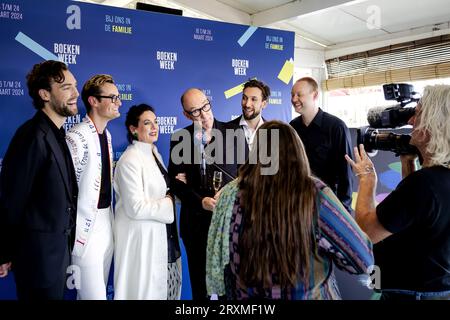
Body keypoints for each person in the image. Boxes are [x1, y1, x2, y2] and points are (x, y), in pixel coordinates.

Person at [207, 120, 373, 299]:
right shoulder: (314, 194)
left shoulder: (230, 193)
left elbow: (216, 261)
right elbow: (362, 260)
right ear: (297, 151)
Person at [345, 84, 450, 300]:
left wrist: (366, 180)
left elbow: (367, 232)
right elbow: (414, 214)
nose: (410, 121)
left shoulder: (424, 184)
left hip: (408, 293)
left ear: (434, 124)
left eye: (418, 114)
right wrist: (408, 162)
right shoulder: (433, 181)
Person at [0, 60, 79, 300]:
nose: (76, 93)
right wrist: (3, 252)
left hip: (55, 257)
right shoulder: (32, 136)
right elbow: (12, 199)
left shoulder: (57, 133)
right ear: (45, 94)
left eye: (74, 86)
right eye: (66, 87)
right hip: (37, 260)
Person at [168, 88, 238, 300]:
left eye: (205, 106)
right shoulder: (180, 139)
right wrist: (201, 201)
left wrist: (230, 190)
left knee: (229, 287)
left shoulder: (234, 134)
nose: (204, 114)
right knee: (201, 289)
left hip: (228, 224)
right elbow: (175, 183)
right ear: (187, 115)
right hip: (195, 226)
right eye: (195, 111)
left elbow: (247, 176)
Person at [114, 104, 181, 300]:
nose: (154, 127)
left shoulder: (154, 153)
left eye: (156, 122)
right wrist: (169, 202)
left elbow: (161, 190)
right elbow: (136, 208)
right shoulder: (129, 160)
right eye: (147, 123)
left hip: (164, 240)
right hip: (143, 244)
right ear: (133, 129)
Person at [65, 74, 121, 299]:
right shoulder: (76, 137)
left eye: (118, 97)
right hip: (85, 228)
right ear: (94, 101)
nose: (119, 102)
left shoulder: (106, 135)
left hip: (107, 221)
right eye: (113, 97)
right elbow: (66, 190)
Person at [290, 77, 353, 212]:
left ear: (315, 95)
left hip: (328, 206)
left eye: (299, 95)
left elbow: (346, 175)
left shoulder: (336, 127)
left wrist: (343, 212)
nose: (294, 99)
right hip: (298, 206)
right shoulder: (292, 127)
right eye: (292, 95)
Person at [228, 79, 270, 158]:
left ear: (264, 104)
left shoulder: (272, 132)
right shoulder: (226, 130)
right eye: (244, 98)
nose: (247, 104)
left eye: (253, 99)